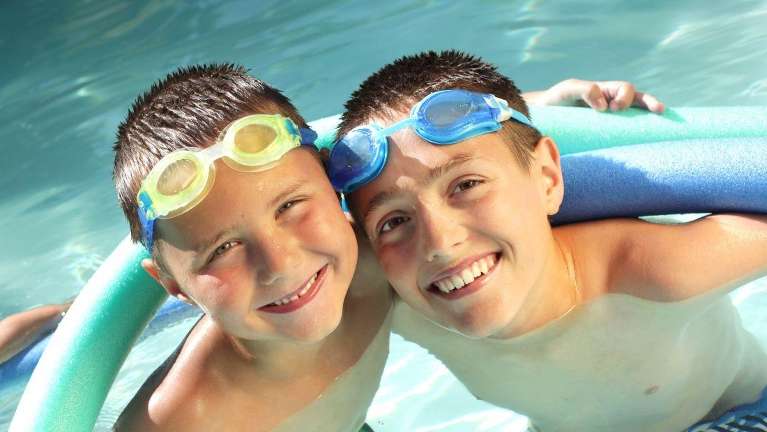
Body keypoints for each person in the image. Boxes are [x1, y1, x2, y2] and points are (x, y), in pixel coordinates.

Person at [110, 62, 662, 431]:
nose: (281, 265)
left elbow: (419, 140)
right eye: (221, 249)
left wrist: (545, 105)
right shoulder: (185, 418)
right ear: (175, 287)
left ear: (337, 191)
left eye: (289, 208)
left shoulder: (381, 258)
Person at [331, 50, 767, 432]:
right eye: (393, 221)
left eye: (466, 185)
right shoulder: (399, 296)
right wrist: (542, 103)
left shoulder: (656, 273)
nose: (439, 244)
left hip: (736, 413)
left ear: (547, 178)